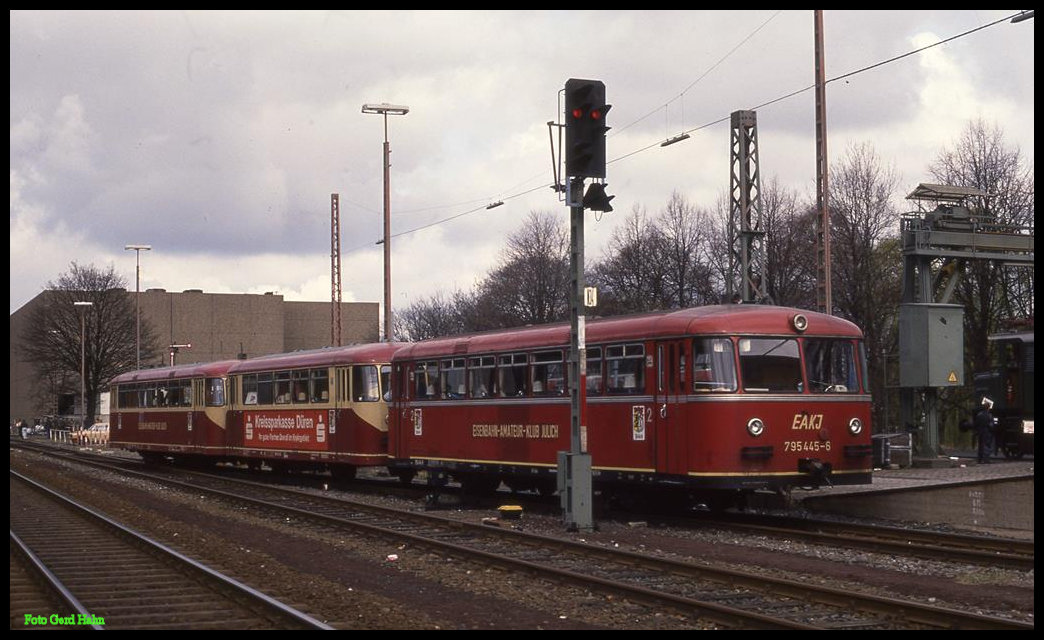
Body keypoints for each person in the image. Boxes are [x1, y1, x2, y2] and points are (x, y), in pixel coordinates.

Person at [973, 397, 995, 464]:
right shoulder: (989, 415)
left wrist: (976, 431)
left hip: (980, 431)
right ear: (988, 408)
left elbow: (976, 424)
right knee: (987, 445)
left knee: (980, 445)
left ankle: (979, 459)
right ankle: (986, 459)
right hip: (987, 431)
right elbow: (991, 425)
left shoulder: (979, 414)